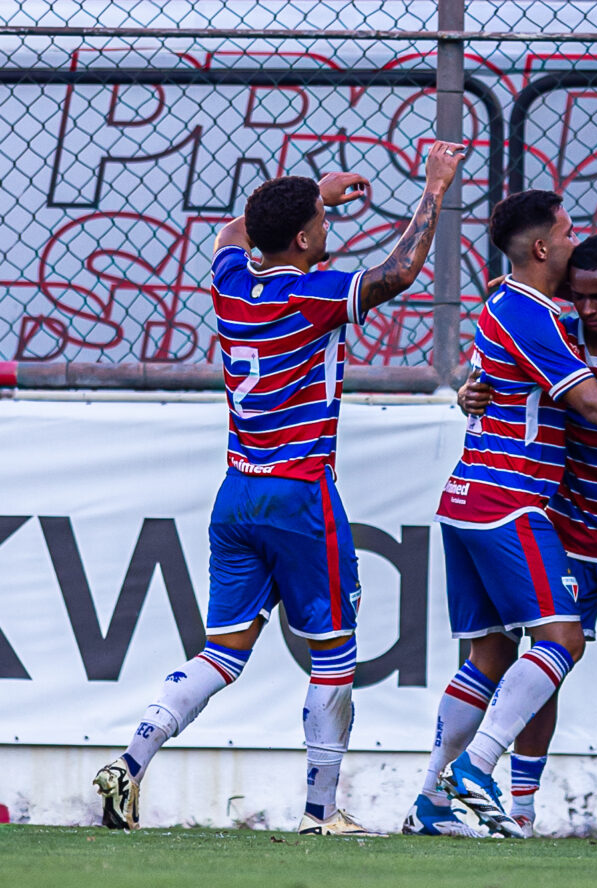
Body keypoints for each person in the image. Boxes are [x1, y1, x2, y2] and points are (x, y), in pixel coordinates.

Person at [93, 141, 467, 835]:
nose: (327, 231)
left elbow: (232, 232)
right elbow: (399, 271)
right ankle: (321, 816)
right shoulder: (313, 293)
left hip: (237, 491)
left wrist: (313, 195)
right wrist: (435, 189)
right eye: (320, 225)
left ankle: (130, 758)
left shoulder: (231, 283)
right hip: (301, 493)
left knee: (222, 650)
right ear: (303, 238)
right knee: (334, 653)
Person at [403, 190, 597, 839]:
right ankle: (484, 774)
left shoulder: (562, 315)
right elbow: (590, 405)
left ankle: (429, 801)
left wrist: (475, 386)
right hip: (517, 503)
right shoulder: (539, 316)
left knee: (489, 655)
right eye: (566, 231)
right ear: (543, 248)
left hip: (541, 510)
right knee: (560, 642)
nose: (575, 239)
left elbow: (499, 373)